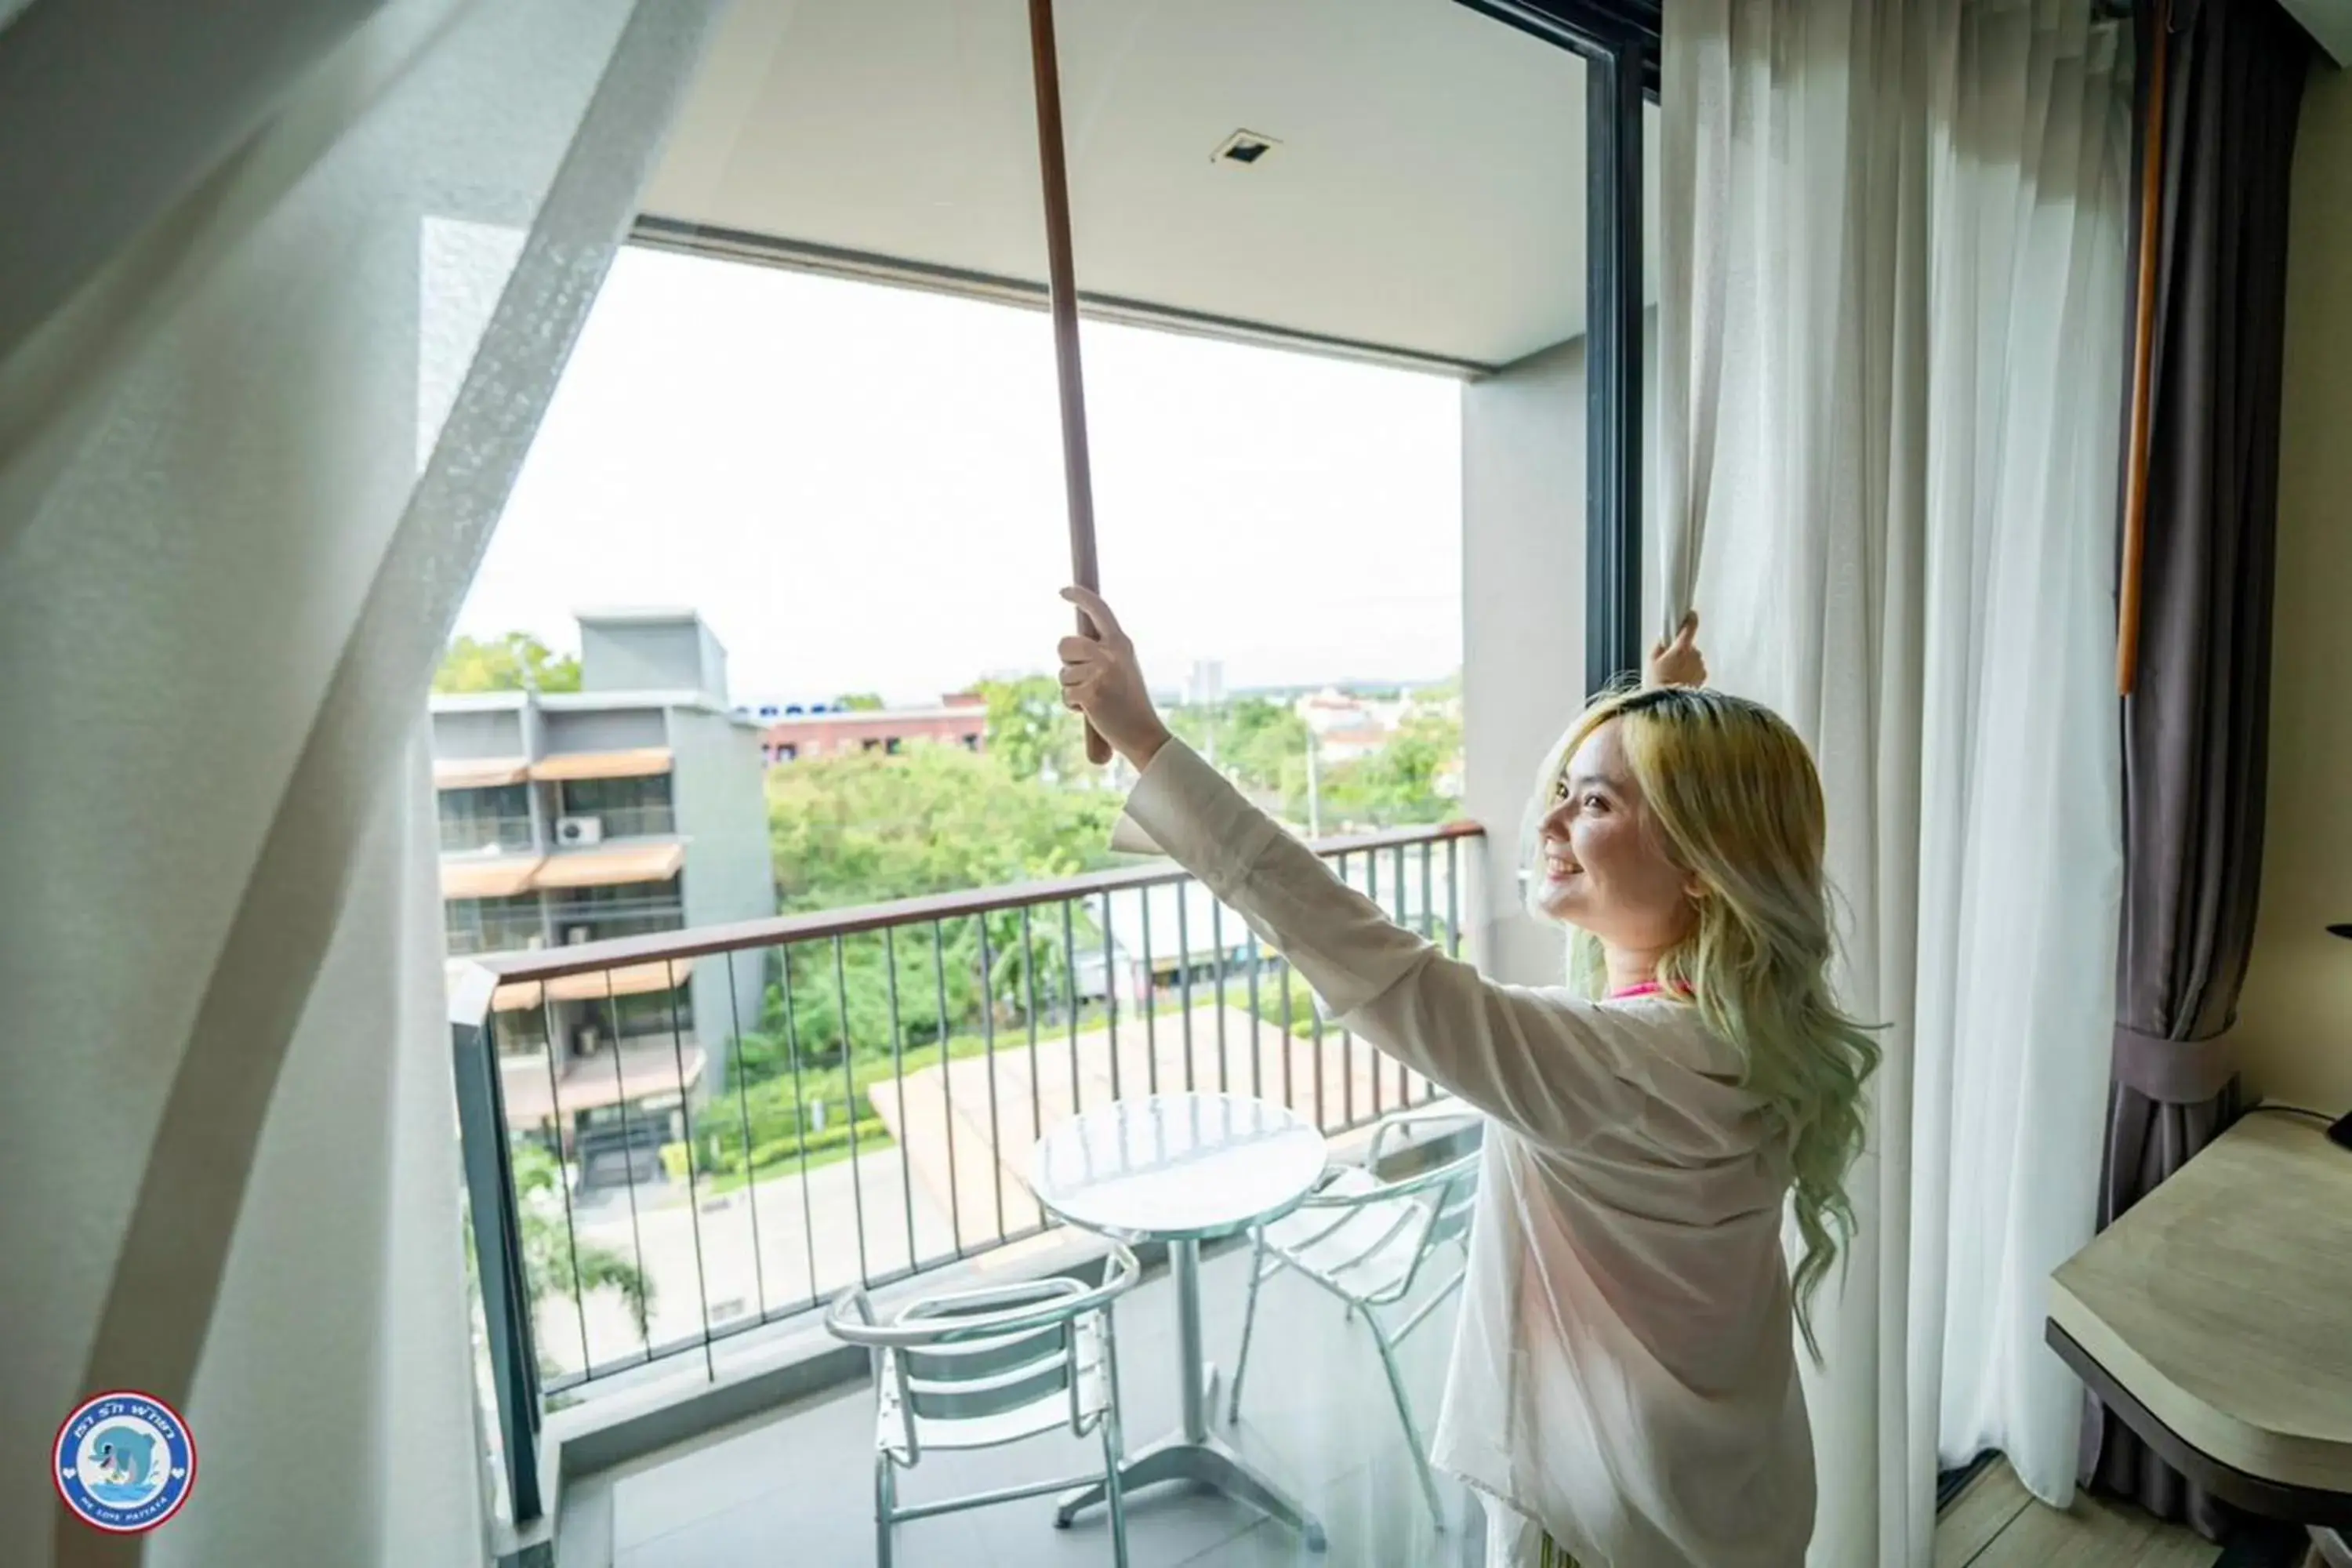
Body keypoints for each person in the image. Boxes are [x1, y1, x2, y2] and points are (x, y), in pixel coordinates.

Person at [1054, 587, 1878, 1568]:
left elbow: (1370, 961)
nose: (1550, 820)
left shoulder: (1624, 1063)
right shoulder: (1750, 1030)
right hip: (1740, 1484)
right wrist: (1651, 716)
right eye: (1566, 791)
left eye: (1595, 801)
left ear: (1702, 865)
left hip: (1606, 1513)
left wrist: (1147, 741)